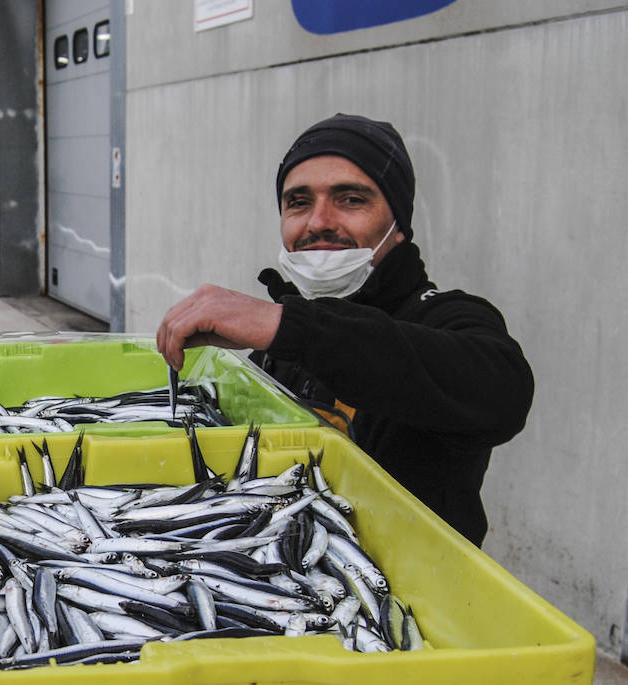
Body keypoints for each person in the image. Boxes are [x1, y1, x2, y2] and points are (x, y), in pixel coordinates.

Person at [154, 113, 533, 546]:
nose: (318, 222)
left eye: (350, 199)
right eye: (298, 202)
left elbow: (503, 391)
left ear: (398, 226)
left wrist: (287, 326)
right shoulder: (284, 339)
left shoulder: (446, 317)